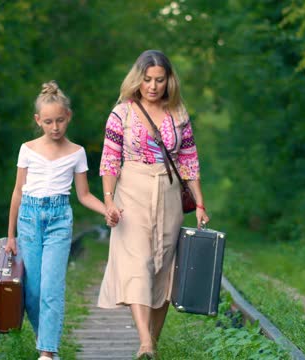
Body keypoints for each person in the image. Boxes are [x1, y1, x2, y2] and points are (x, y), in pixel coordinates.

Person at [97, 50, 210, 359]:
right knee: (138, 263)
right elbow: (109, 160)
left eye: (159, 80)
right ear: (138, 79)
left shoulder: (179, 113)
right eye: (147, 80)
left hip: (170, 194)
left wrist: (199, 202)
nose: (153, 86)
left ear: (168, 81)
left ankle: (152, 346)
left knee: (162, 268)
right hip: (131, 192)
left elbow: (189, 161)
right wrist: (108, 201)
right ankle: (145, 340)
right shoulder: (122, 113)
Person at [5, 80, 117, 360]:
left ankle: (46, 353)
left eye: (59, 121)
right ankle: (46, 339)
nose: (54, 127)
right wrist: (10, 236)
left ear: (68, 117)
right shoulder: (27, 149)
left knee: (52, 289)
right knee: (31, 293)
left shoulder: (76, 153)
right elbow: (17, 192)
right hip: (29, 219)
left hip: (58, 220)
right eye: (48, 122)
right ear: (38, 121)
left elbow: (83, 194)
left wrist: (107, 209)